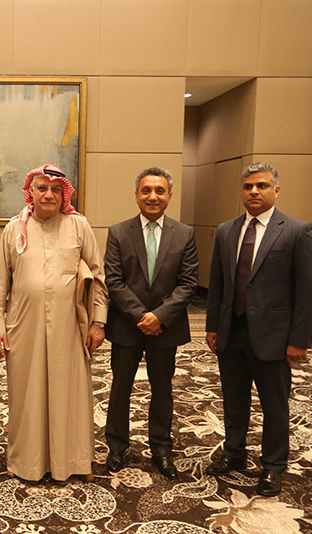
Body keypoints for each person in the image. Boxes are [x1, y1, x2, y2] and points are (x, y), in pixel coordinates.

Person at [205, 162, 312, 496]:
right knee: (234, 400)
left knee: (274, 405)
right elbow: (217, 283)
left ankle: (273, 466)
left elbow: (309, 290)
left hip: (275, 337)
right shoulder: (226, 230)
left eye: (262, 185)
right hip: (232, 332)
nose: (254, 192)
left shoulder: (297, 231)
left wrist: (299, 339)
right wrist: (213, 326)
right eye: (248, 187)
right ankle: (234, 453)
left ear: (276, 190)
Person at [0, 163, 108, 482]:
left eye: (55, 189)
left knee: (70, 394)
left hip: (70, 326)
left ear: (64, 194)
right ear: (31, 192)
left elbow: (98, 276)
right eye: (42, 188)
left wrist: (99, 322)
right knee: (26, 394)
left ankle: (74, 461)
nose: (49, 194)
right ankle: (25, 461)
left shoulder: (79, 226)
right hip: (23, 325)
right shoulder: (15, 228)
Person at [103, 166, 198, 479]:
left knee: (162, 390)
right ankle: (116, 448)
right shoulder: (118, 232)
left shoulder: (184, 234)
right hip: (126, 326)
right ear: (136, 195)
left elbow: (188, 283)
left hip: (165, 327)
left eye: (159, 191)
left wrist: (160, 316)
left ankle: (161, 449)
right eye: (146, 190)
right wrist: (141, 316)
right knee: (120, 388)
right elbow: (114, 281)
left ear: (169, 196)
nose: (152, 196)